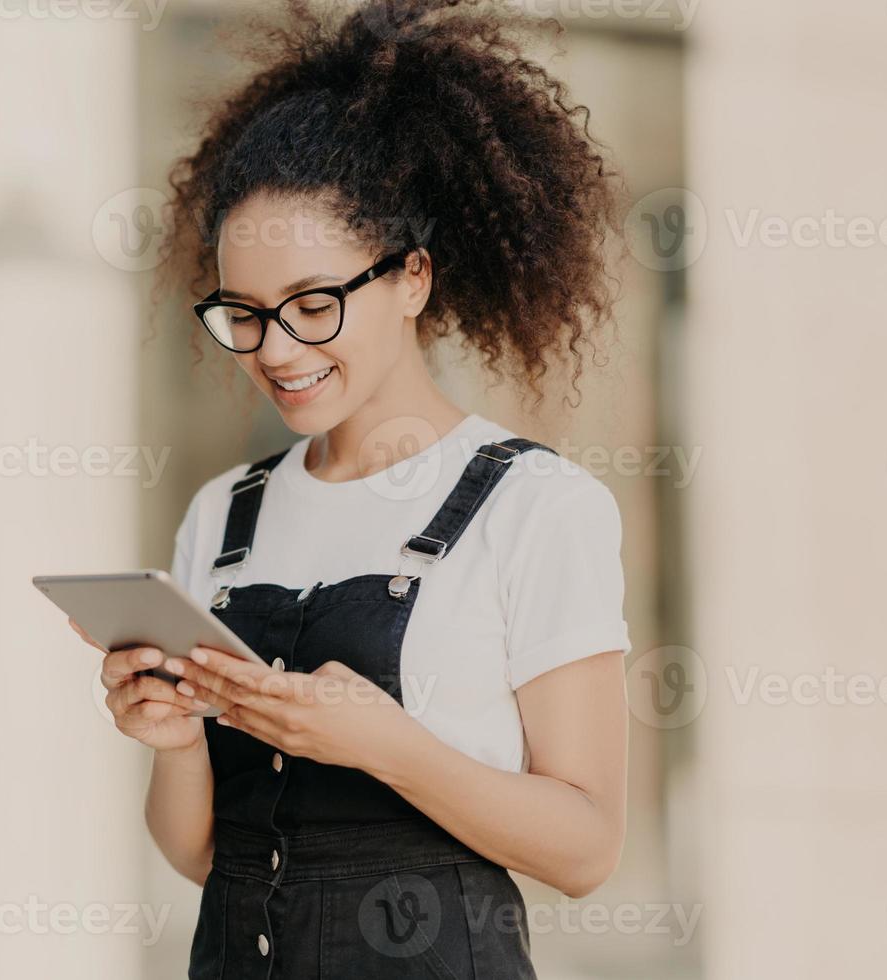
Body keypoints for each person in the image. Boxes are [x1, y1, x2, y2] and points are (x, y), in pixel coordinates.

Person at [83, 1, 631, 975]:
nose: (276, 350)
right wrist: (173, 741)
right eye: (242, 315)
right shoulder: (224, 515)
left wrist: (388, 743)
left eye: (312, 304)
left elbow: (586, 848)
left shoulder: (537, 507)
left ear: (412, 276)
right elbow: (200, 852)